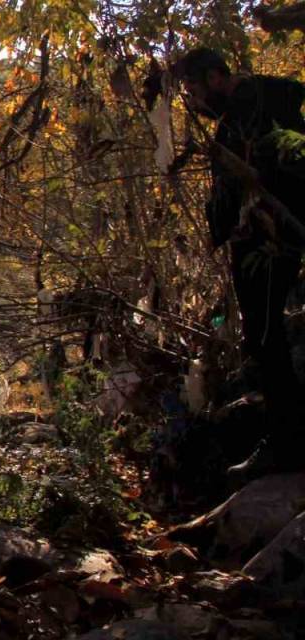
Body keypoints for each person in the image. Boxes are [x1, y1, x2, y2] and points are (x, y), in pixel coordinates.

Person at [175, 47, 305, 479]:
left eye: (193, 90)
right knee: (264, 340)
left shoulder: (266, 103)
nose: (192, 102)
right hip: (260, 243)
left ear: (215, 77)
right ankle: (283, 439)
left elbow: (280, 165)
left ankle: (286, 446)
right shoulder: (246, 112)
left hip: (272, 244)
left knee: (267, 339)